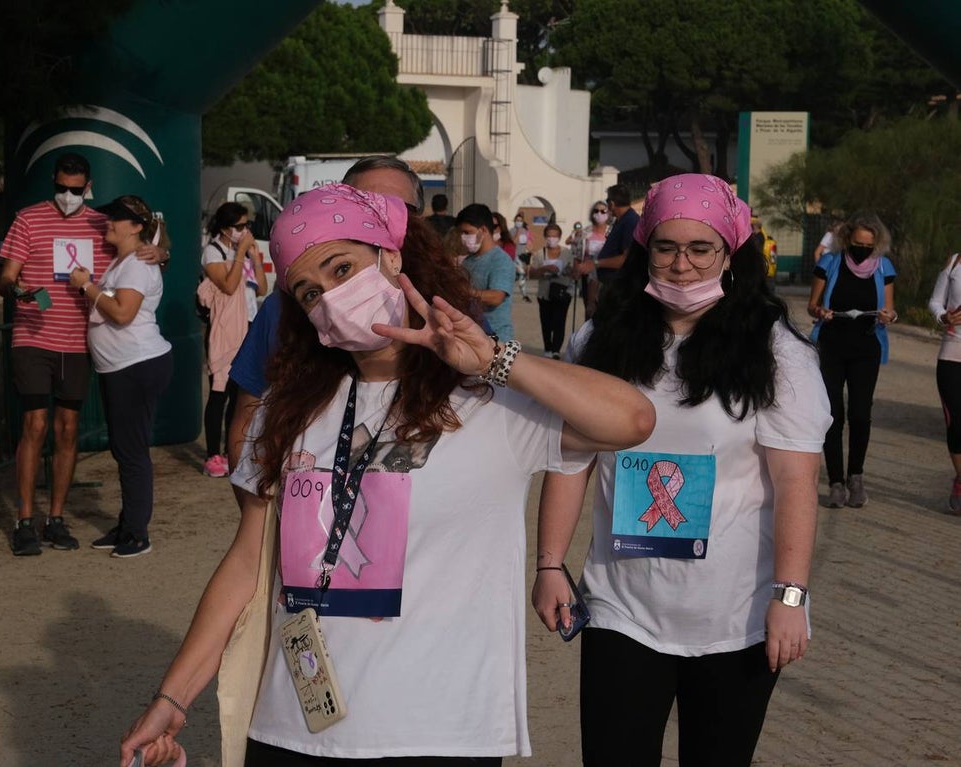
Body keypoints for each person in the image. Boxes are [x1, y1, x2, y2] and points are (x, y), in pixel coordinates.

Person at [119, 182, 655, 767]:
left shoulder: (489, 405)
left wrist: (495, 361)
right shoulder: (285, 412)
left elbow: (631, 419)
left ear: (391, 257)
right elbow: (247, 564)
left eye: (343, 267)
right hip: (293, 726)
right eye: (309, 292)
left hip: (441, 733)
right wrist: (173, 697)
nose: (331, 297)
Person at [535, 173, 831, 767]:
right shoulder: (599, 343)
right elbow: (570, 461)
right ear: (646, 249)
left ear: (730, 254)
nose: (682, 264)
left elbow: (797, 485)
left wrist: (791, 597)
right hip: (624, 611)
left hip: (737, 617)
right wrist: (549, 565)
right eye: (666, 248)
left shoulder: (777, 356)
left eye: (702, 249)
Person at [0, 152, 167, 555]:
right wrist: (13, 288)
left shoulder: (101, 224)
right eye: (61, 188)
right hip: (34, 336)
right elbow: (5, 273)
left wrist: (161, 252)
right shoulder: (27, 218)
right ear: (52, 183)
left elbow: (146, 245)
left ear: (87, 187)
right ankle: (24, 520)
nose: (68, 195)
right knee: (35, 425)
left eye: (75, 189)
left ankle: (56, 518)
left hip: (77, 343)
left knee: (68, 430)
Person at [225, 157, 425, 478]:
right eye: (363, 205)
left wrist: (495, 361)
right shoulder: (282, 312)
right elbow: (246, 420)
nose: (383, 218)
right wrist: (263, 506)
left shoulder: (453, 316)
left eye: (398, 209)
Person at [68, 195, 174, 557]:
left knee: (132, 452)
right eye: (110, 216)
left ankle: (138, 535)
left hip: (136, 364)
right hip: (123, 366)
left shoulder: (135, 265)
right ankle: (128, 524)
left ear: (137, 226)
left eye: (118, 218)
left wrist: (86, 286)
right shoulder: (126, 260)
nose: (108, 222)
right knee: (124, 448)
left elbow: (122, 312)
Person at [807, 211, 897, 508]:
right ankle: (835, 482)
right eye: (857, 243)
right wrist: (821, 312)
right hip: (831, 346)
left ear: (877, 245)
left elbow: (891, 311)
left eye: (868, 246)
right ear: (848, 240)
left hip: (866, 348)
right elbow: (812, 306)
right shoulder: (830, 262)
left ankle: (855, 476)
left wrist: (890, 316)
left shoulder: (884, 267)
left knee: (860, 414)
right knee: (834, 414)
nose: (862, 250)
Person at [199, 202, 262, 478]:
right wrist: (238, 254)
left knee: (239, 393)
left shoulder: (244, 252)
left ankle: (229, 451)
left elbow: (261, 287)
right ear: (224, 228)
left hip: (248, 325)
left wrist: (254, 257)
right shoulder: (212, 251)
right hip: (225, 329)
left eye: (247, 225)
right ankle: (212, 454)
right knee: (219, 392)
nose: (244, 231)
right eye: (238, 227)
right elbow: (227, 284)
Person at [929, 252, 961, 513]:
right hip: (953, 352)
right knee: (957, 422)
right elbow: (935, 302)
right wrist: (943, 317)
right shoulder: (953, 263)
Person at [456, 202, 516, 341]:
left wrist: (466, 292)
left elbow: (497, 296)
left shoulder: (500, 260)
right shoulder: (468, 261)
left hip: (496, 338)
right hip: (473, 335)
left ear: (483, 230)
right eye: (461, 233)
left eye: (467, 232)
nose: (463, 237)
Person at [577, 184, 638, 298]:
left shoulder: (630, 222)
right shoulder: (620, 221)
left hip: (620, 288)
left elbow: (627, 259)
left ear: (612, 203)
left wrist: (596, 263)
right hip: (610, 285)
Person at [527, 222, 572, 359]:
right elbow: (532, 273)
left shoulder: (566, 253)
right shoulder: (539, 254)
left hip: (562, 292)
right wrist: (545, 269)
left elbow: (573, 272)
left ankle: (556, 350)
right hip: (544, 293)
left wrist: (565, 270)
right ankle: (547, 347)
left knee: (560, 320)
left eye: (555, 236)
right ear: (545, 237)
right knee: (546, 322)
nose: (552, 239)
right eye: (549, 236)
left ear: (559, 237)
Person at [569, 200, 610, 320]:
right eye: (596, 211)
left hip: (606, 275)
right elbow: (577, 255)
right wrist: (576, 270)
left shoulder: (611, 232)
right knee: (590, 307)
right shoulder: (585, 232)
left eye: (603, 211)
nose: (599, 213)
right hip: (587, 276)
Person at [512, 212, 533, 302]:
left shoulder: (525, 231)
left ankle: (508, 288)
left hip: (522, 255)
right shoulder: (512, 230)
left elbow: (528, 243)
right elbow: (513, 243)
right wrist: (518, 232)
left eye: (520, 220)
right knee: (522, 274)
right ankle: (524, 295)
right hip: (514, 256)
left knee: (517, 276)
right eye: (517, 220)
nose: (519, 222)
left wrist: (530, 249)